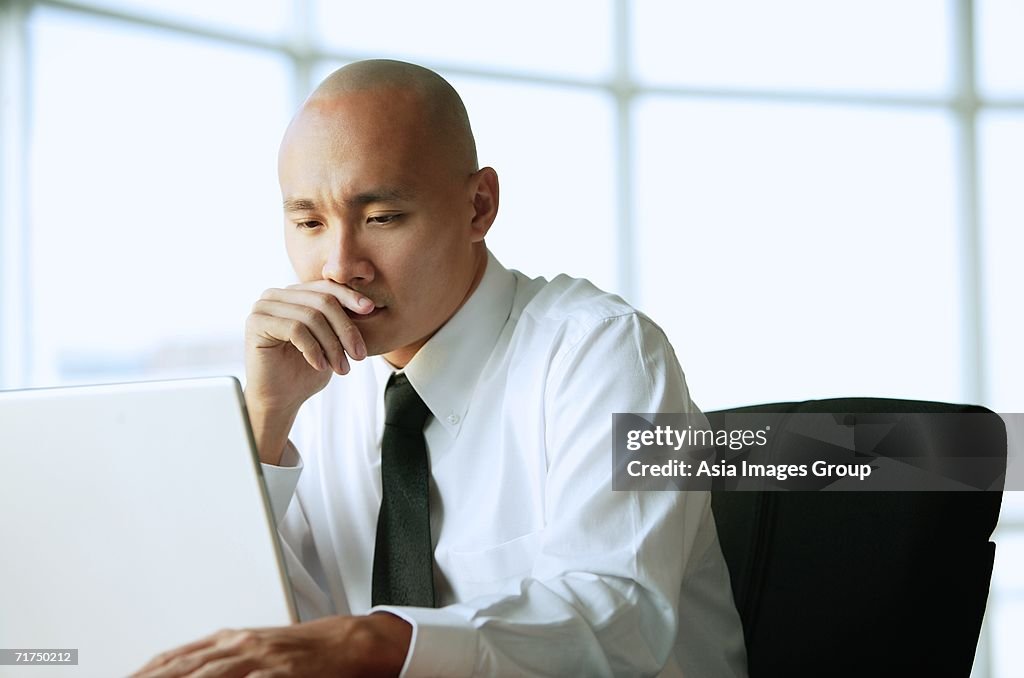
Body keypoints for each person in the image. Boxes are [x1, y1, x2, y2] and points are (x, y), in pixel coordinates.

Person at [134, 59, 748, 677]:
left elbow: (617, 618)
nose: (340, 265)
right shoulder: (307, 388)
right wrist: (264, 425)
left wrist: (373, 644)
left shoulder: (605, 353)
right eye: (309, 223)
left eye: (381, 218)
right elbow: (223, 640)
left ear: (479, 207)